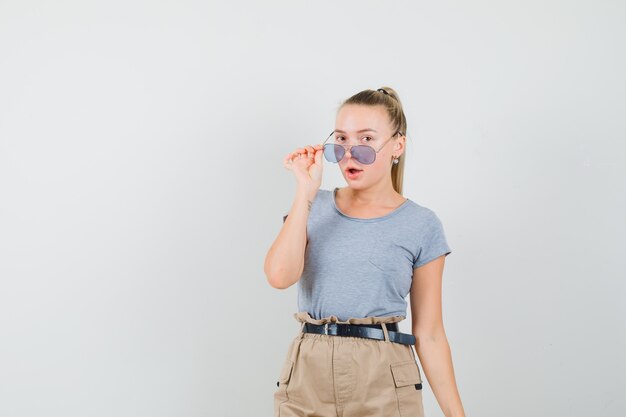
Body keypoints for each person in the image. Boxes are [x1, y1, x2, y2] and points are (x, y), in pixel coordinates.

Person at [264, 87, 466, 417]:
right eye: (340, 140)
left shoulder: (420, 224)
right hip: (307, 374)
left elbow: (429, 334)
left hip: (383, 376)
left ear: (397, 145)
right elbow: (278, 276)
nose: (350, 153)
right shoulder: (314, 208)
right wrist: (305, 192)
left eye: (367, 140)